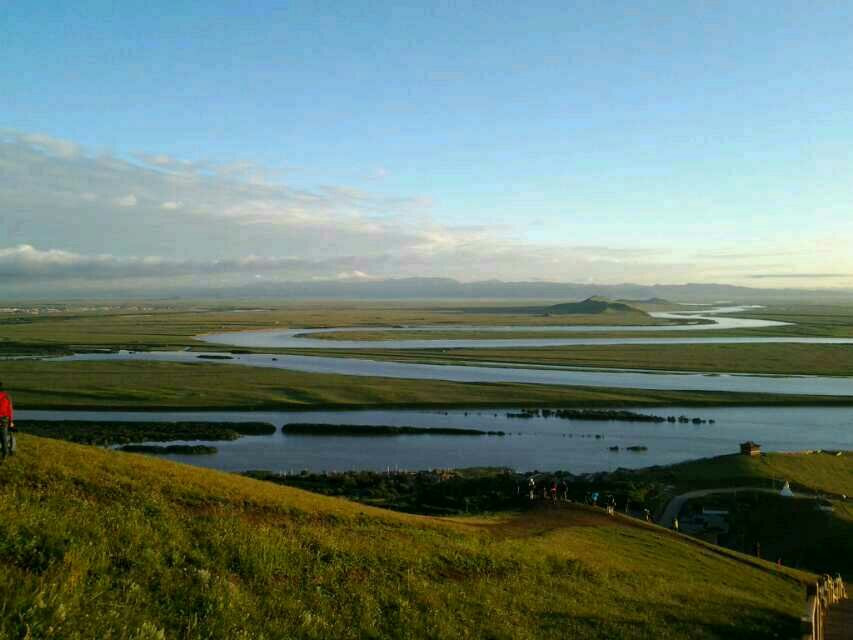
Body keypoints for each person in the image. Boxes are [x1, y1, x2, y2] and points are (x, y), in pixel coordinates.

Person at [0, 381, 15, 457]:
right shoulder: (7, 396)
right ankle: (5, 454)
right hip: (4, 419)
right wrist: (11, 421)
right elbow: (10, 410)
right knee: (4, 436)